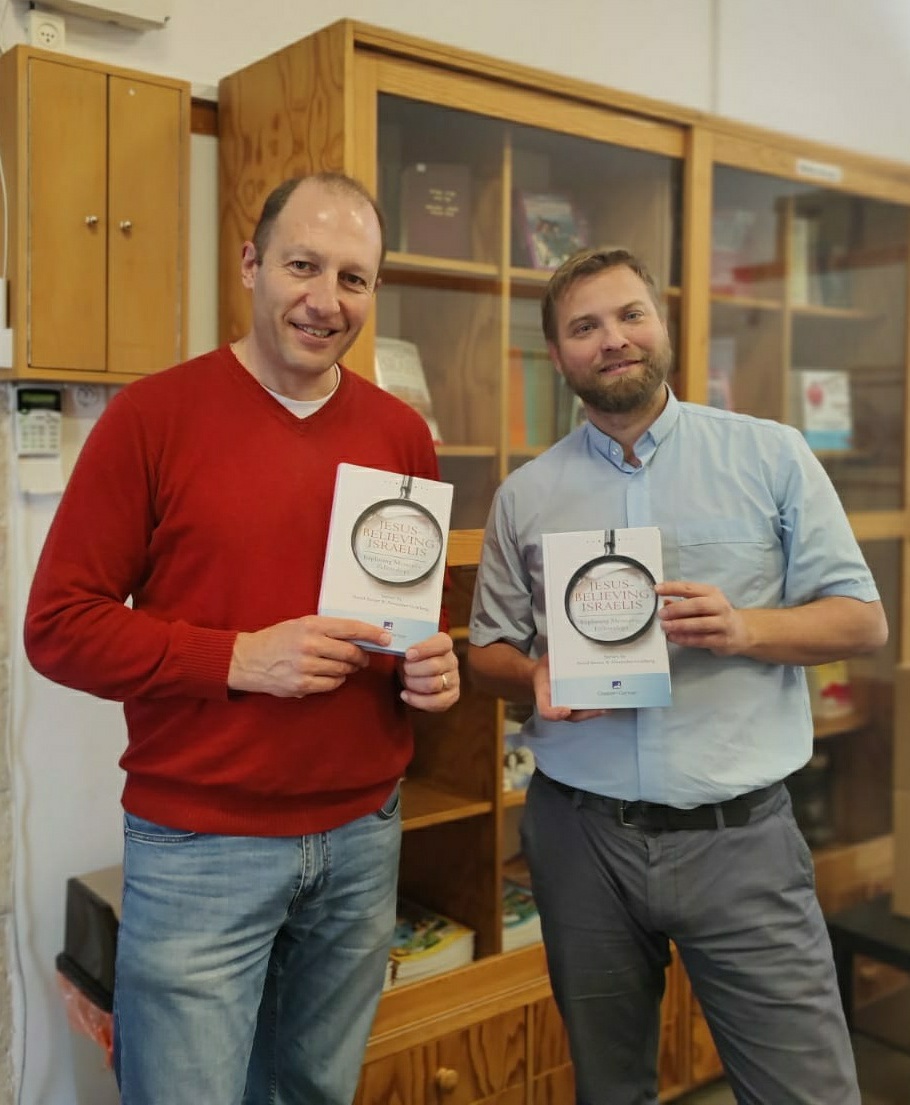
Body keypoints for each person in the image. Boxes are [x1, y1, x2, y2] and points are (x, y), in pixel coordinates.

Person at [25, 172, 460, 1105]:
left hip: (363, 837)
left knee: (314, 1091)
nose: (325, 299)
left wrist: (431, 667)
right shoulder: (154, 417)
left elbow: (409, 623)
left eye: (354, 277)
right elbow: (59, 627)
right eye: (303, 265)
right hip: (200, 847)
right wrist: (235, 657)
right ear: (253, 265)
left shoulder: (400, 433)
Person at [467, 247, 886, 1105]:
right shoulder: (527, 495)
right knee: (609, 1087)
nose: (612, 339)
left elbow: (861, 618)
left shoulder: (771, 456)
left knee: (809, 1092)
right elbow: (487, 653)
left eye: (630, 315)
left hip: (743, 840)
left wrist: (746, 626)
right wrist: (534, 676)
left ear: (663, 326)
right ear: (558, 355)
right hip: (581, 840)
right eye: (584, 326)